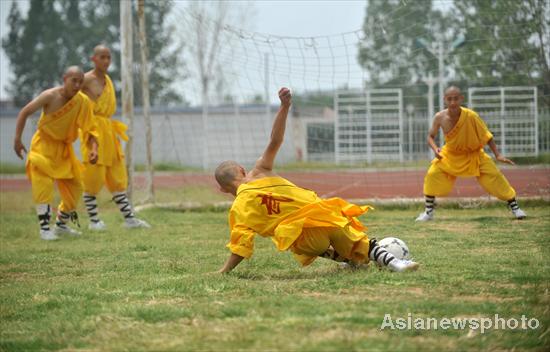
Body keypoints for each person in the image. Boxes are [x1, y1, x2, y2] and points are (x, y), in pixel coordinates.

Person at [215, 87, 419, 274]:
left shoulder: (238, 210)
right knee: (359, 242)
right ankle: (395, 263)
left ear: (223, 190)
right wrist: (285, 106)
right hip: (322, 215)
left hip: (305, 241)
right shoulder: (260, 171)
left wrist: (223, 271)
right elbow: (275, 140)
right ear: (242, 169)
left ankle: (350, 261)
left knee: (303, 241)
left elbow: (240, 247)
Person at [415, 86, 527, 222]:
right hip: (450, 155)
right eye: (449, 99)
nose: (453, 102)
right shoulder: (440, 117)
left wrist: (497, 155)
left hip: (474, 155)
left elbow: (487, 136)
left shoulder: (471, 115)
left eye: (456, 99)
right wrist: (435, 149)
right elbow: (430, 136)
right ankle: (428, 212)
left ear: (461, 99)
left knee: (495, 176)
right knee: (432, 175)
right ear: (444, 100)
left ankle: (515, 208)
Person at [13, 66, 99, 240]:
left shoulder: (82, 101)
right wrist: (17, 139)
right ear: (64, 78)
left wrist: (94, 149)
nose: (77, 85)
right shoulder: (49, 96)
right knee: (43, 184)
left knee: (75, 187)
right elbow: (25, 112)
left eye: (80, 81)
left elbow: (90, 129)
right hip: (42, 147)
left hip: (63, 150)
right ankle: (45, 229)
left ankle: (60, 226)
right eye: (73, 80)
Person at [80, 45, 150, 230]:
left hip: (109, 132)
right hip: (92, 130)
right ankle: (94, 221)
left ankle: (129, 219)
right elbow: (73, 101)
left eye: (108, 57)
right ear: (93, 59)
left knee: (118, 177)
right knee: (93, 178)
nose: (106, 61)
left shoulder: (108, 80)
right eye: (102, 57)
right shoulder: (85, 79)